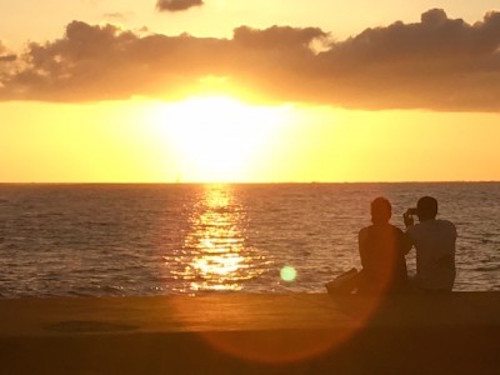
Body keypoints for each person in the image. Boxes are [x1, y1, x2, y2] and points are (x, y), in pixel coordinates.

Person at [404, 196, 457, 293]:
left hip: (427, 285)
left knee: (403, 280)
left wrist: (408, 226)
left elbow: (404, 249)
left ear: (419, 212)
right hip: (447, 284)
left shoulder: (415, 230)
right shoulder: (449, 226)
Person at [357, 197, 409, 294]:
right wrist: (409, 227)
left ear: (372, 214)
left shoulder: (364, 233)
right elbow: (405, 249)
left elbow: (364, 260)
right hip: (396, 284)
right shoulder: (397, 233)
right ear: (389, 214)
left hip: (373, 282)